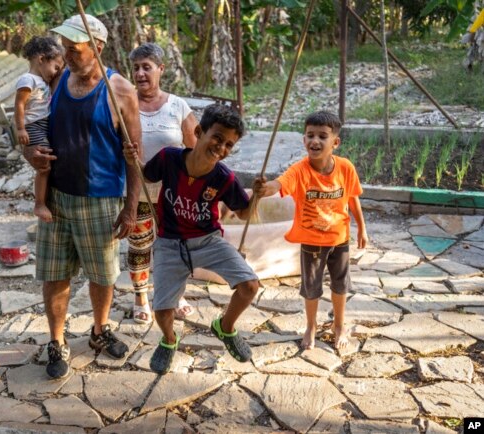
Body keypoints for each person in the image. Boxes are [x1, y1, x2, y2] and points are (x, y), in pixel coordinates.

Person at [23, 14, 141, 380]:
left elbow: (135, 154)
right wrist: (29, 153)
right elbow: (33, 127)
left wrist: (130, 208)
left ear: (99, 48)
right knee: (54, 275)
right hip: (56, 197)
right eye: (66, 49)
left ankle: (99, 330)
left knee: (102, 275)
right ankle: (57, 340)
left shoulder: (119, 90)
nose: (68, 56)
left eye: (76, 50)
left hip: (101, 199)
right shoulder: (55, 82)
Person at [123, 104, 270, 374]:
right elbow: (147, 174)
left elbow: (243, 212)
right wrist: (133, 159)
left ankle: (224, 328)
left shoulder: (224, 177)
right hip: (169, 242)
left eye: (229, 144)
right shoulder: (169, 158)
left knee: (249, 286)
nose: (221, 147)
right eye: (217, 137)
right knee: (162, 310)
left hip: (208, 241)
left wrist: (257, 196)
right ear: (199, 131)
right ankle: (169, 341)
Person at [259, 111, 368, 350]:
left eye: (322, 136)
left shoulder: (345, 168)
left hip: (339, 239)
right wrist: (264, 188)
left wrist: (361, 227)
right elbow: (280, 184)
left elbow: (352, 198)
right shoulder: (299, 171)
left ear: (335, 143)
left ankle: (339, 324)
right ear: (304, 139)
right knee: (311, 289)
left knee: (340, 286)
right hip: (311, 241)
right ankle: (311, 326)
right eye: (310, 135)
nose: (315, 141)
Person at [127, 42, 199, 324]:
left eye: (147, 67)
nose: (141, 73)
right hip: (137, 192)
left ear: (161, 69)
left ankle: (174, 294)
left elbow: (194, 148)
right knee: (139, 246)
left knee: (174, 246)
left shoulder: (177, 105)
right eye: (135, 68)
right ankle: (141, 297)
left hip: (173, 195)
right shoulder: (124, 103)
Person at [14, 36, 64, 222]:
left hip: (42, 125)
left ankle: (43, 201)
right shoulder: (28, 79)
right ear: (41, 59)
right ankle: (39, 204)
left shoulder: (42, 81)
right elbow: (19, 104)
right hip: (33, 126)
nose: (56, 72)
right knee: (44, 166)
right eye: (56, 67)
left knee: (47, 163)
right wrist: (20, 129)